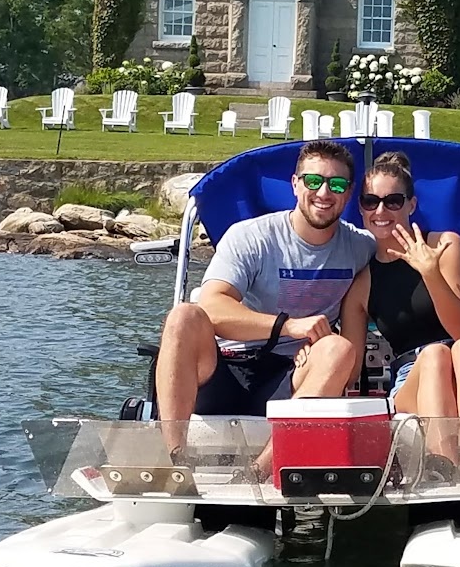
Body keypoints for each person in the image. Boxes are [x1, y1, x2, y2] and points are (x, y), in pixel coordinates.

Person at [154, 139, 376, 458]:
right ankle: (174, 458)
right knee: (183, 317)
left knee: (339, 348)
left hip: (293, 377)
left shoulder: (360, 248)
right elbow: (213, 307)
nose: (325, 193)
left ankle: (263, 469)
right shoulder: (251, 236)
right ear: (296, 184)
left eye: (337, 184)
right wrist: (289, 326)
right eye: (314, 181)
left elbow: (399, 245)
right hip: (226, 367)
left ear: (349, 192)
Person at [360, 151, 460, 476]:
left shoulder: (446, 246)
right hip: (415, 376)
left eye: (393, 201)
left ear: (411, 204)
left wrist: (430, 273)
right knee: (434, 355)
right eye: (370, 201)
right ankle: (443, 466)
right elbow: (352, 354)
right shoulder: (364, 277)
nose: (381, 211)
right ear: (361, 207)